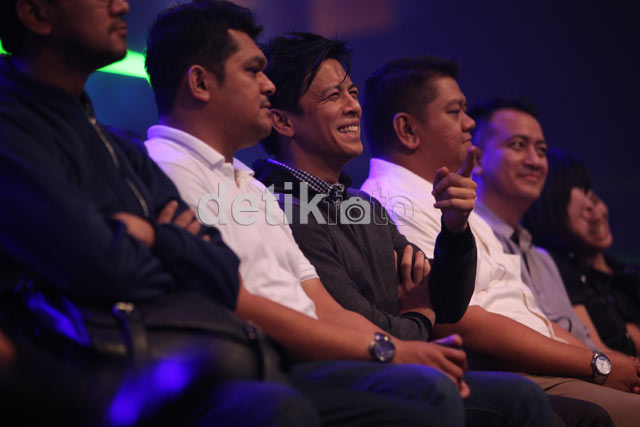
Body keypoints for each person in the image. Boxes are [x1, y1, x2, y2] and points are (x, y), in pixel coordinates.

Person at [143, 1, 499, 425]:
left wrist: (454, 230)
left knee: (511, 396)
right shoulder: (178, 173)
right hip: (267, 364)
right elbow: (239, 302)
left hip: (311, 355)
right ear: (201, 82)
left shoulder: (256, 185)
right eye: (253, 71)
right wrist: (407, 335)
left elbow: (329, 306)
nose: (267, 85)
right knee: (437, 391)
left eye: (352, 93)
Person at [0, 0, 322, 425]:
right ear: (37, 14)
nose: (121, 4)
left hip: (165, 363)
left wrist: (154, 238)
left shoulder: (117, 145)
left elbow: (223, 271)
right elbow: (104, 266)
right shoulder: (11, 128)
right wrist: (175, 248)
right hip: (83, 374)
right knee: (279, 408)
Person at [251, 32, 565, 427]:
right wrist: (419, 317)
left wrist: (454, 228)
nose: (354, 106)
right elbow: (359, 322)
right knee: (508, 398)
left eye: (352, 92)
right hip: (350, 370)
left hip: (400, 361)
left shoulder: (360, 204)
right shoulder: (283, 206)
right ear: (282, 120)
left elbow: (446, 303)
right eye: (333, 96)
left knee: (522, 397)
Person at [359, 56, 639, 425]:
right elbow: (453, 320)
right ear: (407, 129)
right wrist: (595, 364)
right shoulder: (391, 202)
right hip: (509, 374)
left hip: (544, 368)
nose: (469, 122)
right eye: (455, 111)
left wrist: (599, 362)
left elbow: (530, 314)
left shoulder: (453, 200)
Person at [523, 146, 640, 356]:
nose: (597, 214)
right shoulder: (559, 272)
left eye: (594, 199)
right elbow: (596, 350)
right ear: (553, 218)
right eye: (583, 210)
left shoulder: (627, 274)